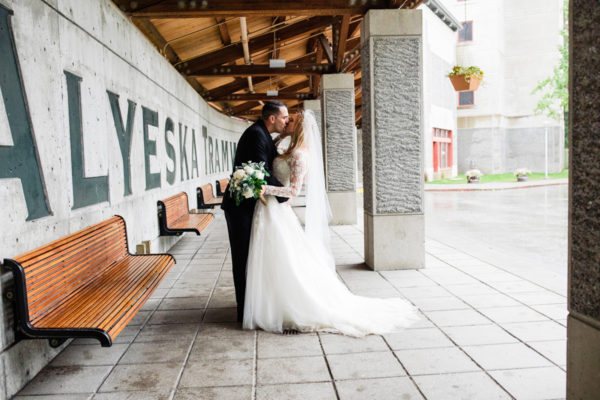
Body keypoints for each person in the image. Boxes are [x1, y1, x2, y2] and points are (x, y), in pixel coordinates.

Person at [243, 110, 419, 336]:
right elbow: (272, 149)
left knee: (283, 259)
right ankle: (270, 303)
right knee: (273, 259)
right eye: (286, 118)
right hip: (270, 211)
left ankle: (288, 307)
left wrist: (264, 188)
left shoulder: (299, 155)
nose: (287, 121)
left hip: (277, 208)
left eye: (291, 120)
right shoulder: (289, 148)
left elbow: (294, 191)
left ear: (298, 127)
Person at [221, 100, 290, 323]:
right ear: (272, 118)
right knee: (242, 258)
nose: (286, 120)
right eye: (283, 117)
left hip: (250, 205)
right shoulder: (256, 134)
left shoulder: (262, 133)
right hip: (240, 207)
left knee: (251, 257)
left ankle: (252, 305)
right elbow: (261, 170)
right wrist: (284, 194)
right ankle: (244, 311)